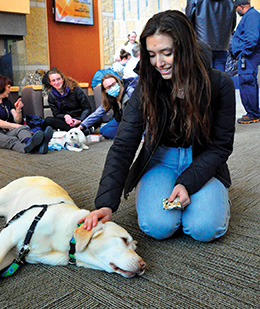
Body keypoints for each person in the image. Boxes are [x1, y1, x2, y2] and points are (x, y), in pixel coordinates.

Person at [81, 10, 236, 243]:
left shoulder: (219, 83)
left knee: (204, 228)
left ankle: (216, 195)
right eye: (152, 55)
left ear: (185, 49)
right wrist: (105, 203)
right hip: (160, 158)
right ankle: (162, 189)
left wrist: (188, 182)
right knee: (158, 227)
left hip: (202, 159)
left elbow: (221, 146)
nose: (159, 63)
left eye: (167, 53)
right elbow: (124, 144)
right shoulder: (147, 85)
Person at [0, 75, 53, 154]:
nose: (10, 90)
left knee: (23, 128)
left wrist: (18, 110)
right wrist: (16, 126)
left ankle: (30, 142)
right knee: (12, 140)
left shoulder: (6, 101)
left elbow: (17, 120)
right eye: (8, 87)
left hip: (6, 132)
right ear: (0, 87)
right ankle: (34, 147)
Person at [186, 0, 236, 72]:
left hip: (202, 44)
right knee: (219, 78)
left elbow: (188, 21)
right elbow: (233, 23)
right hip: (222, 45)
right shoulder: (230, 1)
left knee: (203, 77)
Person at [232, 0, 260, 124]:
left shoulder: (252, 16)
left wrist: (243, 53)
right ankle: (253, 112)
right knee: (247, 82)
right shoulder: (250, 16)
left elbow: (252, 37)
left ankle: (253, 114)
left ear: (240, 6)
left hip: (248, 57)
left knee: (247, 82)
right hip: (247, 56)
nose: (236, 11)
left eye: (236, 8)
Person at [78, 74, 129, 139]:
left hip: (130, 122)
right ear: (105, 91)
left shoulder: (129, 93)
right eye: (108, 87)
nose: (112, 88)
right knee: (102, 130)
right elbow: (97, 113)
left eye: (113, 84)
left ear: (118, 82)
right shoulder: (111, 98)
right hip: (119, 119)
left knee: (107, 133)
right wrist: (82, 126)